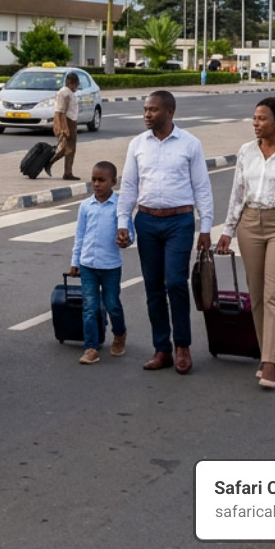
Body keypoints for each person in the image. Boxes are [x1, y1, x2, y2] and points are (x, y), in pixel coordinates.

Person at [215, 97, 275, 389]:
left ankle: (272, 362)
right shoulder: (246, 151)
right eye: (254, 118)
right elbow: (237, 192)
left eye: (261, 119)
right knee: (256, 294)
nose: (256, 124)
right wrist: (227, 230)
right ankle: (263, 352)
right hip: (249, 225)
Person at [116, 90, 216, 375]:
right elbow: (130, 186)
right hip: (146, 221)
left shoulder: (190, 144)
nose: (147, 114)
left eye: (153, 110)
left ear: (170, 112)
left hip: (179, 222)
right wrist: (123, 221)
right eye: (145, 110)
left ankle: (182, 346)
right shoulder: (137, 144)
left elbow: (202, 187)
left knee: (175, 282)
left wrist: (205, 226)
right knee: (153, 288)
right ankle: (162, 349)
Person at [69, 161, 131, 363]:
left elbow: (129, 233)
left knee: (112, 304)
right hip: (88, 265)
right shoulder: (86, 206)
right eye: (94, 179)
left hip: (110, 266)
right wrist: (75, 261)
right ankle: (91, 347)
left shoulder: (120, 207)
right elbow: (79, 235)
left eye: (101, 180)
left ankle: (120, 334)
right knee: (89, 307)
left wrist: (126, 240)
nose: (96, 184)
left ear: (113, 181)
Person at [47, 71, 80, 181]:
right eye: (76, 85)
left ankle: (68, 173)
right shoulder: (64, 93)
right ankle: (48, 162)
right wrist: (63, 128)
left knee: (71, 149)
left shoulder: (69, 92)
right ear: (72, 83)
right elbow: (60, 112)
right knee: (64, 149)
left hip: (72, 122)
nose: (77, 87)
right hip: (67, 122)